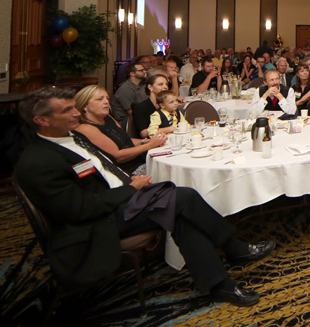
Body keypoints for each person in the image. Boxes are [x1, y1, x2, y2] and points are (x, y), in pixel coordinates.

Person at [15, 87, 275, 307]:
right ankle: (233, 247)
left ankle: (219, 284)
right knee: (183, 197)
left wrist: (129, 183)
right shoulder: (39, 161)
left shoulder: (73, 137)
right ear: (42, 120)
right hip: (98, 221)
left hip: (119, 199)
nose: (76, 113)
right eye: (67, 110)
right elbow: (79, 209)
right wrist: (131, 188)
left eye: (74, 107)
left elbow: (105, 167)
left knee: (181, 211)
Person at [74, 85, 166, 175]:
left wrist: (147, 141)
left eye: (107, 98)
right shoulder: (86, 128)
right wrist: (150, 145)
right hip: (127, 171)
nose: (106, 102)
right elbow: (117, 156)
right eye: (100, 99)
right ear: (85, 106)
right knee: (166, 172)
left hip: (139, 159)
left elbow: (125, 140)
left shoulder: (107, 117)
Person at [131, 74, 171, 139]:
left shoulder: (167, 105)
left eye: (166, 84)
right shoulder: (140, 107)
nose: (166, 87)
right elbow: (144, 133)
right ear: (150, 87)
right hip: (150, 141)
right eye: (160, 84)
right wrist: (170, 129)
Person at [110, 63, 147, 129]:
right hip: (124, 122)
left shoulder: (139, 86)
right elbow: (131, 112)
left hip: (133, 119)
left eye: (144, 70)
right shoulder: (126, 89)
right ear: (132, 73)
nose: (144, 72)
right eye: (141, 70)